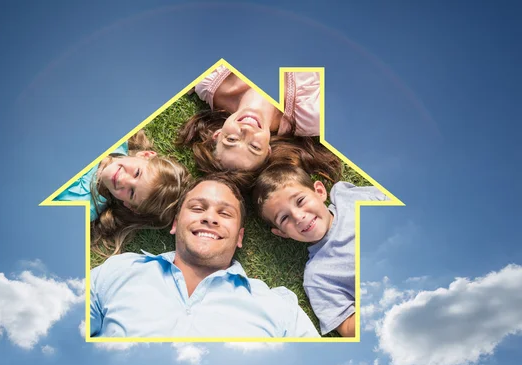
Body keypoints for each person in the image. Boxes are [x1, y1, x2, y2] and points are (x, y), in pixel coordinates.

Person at [90, 174, 321, 338]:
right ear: (175, 223)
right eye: (198, 208)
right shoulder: (119, 271)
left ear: (240, 237)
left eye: (225, 213)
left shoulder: (277, 307)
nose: (210, 218)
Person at [253, 165, 389, 337]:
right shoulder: (318, 276)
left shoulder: (346, 197)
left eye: (300, 201)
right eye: (284, 217)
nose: (298, 216)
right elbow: (347, 327)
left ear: (319, 191)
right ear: (281, 233)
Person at [55, 130, 192, 257]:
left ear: (130, 206)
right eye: (137, 173)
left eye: (131, 192)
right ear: (145, 155)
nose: (122, 180)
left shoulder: (83, 206)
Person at [176, 65, 321, 174]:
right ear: (268, 151)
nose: (246, 131)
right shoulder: (311, 115)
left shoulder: (209, 82)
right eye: (255, 147)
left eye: (231, 139)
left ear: (218, 134)